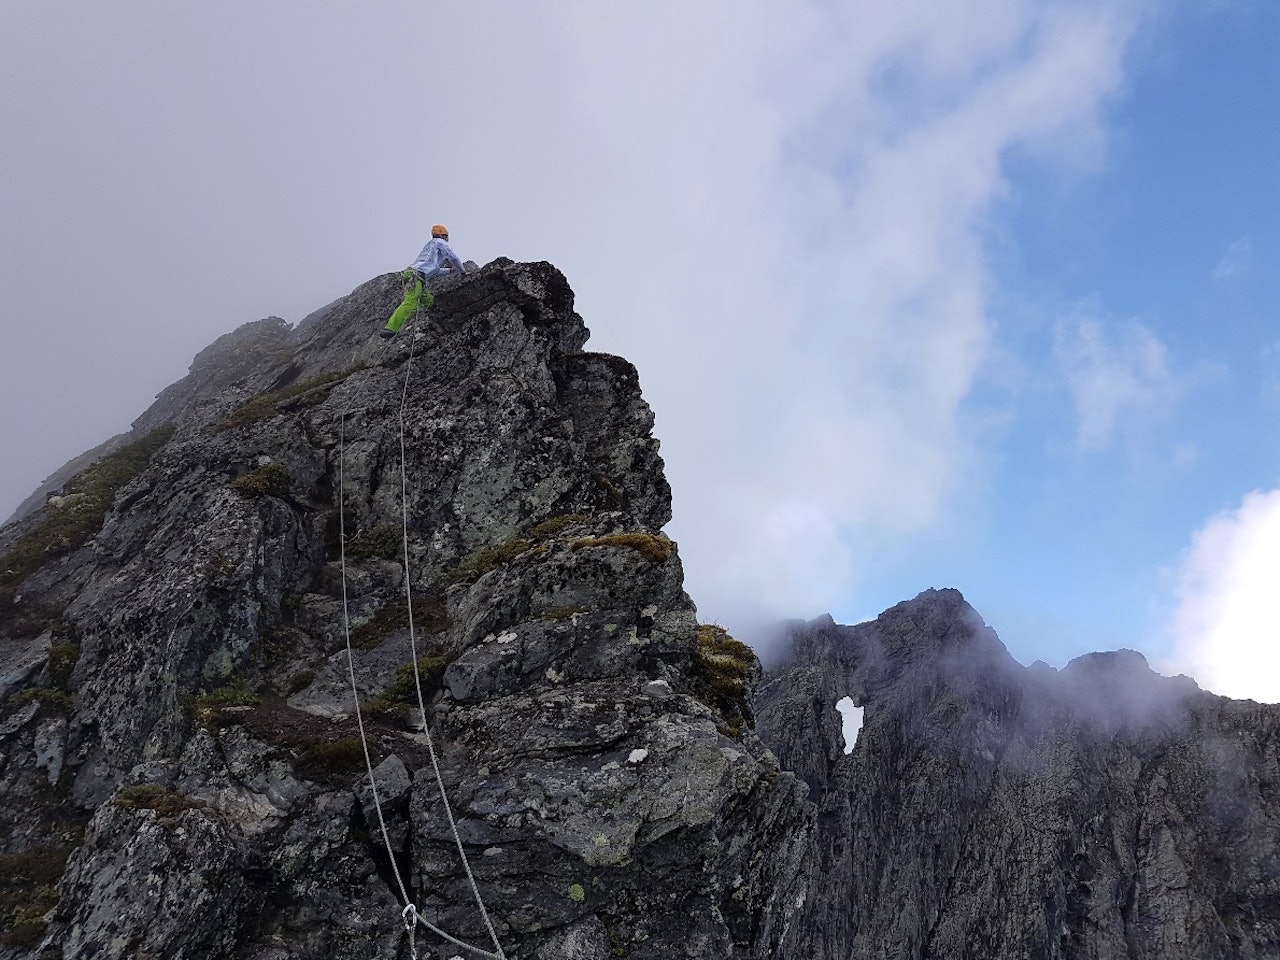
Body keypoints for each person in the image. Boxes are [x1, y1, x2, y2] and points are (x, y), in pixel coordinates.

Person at [380, 224, 465, 338]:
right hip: (415, 276)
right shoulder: (440, 243)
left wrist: (449, 271)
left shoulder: (431, 249)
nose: (447, 239)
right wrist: (462, 271)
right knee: (411, 301)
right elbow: (453, 257)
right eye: (446, 237)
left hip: (414, 275)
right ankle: (390, 328)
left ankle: (437, 321)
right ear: (442, 236)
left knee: (428, 300)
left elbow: (432, 270)